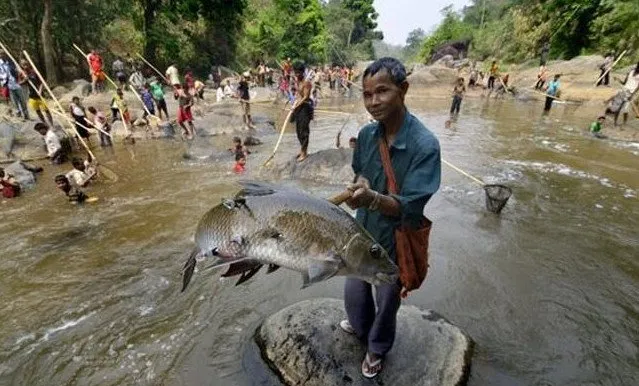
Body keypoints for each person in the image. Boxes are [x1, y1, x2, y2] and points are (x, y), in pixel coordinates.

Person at [340, 57, 441, 379]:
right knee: (354, 293)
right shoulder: (368, 135)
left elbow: (410, 205)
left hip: (395, 239)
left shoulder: (425, 145)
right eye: (367, 94)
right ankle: (359, 328)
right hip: (362, 231)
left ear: (403, 90)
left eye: (382, 92)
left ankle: (377, 348)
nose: (373, 102)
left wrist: (372, 198)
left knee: (387, 301)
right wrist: (362, 185)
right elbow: (361, 171)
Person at [292, 62, 314, 162]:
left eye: (298, 72)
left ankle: (304, 152)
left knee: (304, 131)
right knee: (298, 131)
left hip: (305, 108)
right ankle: (302, 150)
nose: (296, 74)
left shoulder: (306, 83)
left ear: (302, 72)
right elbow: (298, 94)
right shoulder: (298, 82)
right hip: (299, 108)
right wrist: (294, 103)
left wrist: (297, 104)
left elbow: (306, 97)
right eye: (295, 72)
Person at [21, 60, 53, 126]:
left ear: (29, 64)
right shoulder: (22, 74)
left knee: (46, 110)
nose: (25, 66)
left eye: (26, 64)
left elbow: (41, 82)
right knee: (38, 111)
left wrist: (40, 90)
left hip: (40, 95)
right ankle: (45, 124)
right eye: (24, 65)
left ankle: (52, 125)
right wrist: (25, 80)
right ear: (22, 66)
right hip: (32, 96)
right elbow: (19, 83)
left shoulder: (34, 72)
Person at [0, 55, 29, 119]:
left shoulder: (10, 62)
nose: (2, 57)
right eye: (1, 55)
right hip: (8, 84)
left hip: (16, 83)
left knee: (22, 100)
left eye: (3, 55)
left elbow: (17, 69)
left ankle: (25, 113)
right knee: (14, 101)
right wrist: (3, 79)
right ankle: (18, 113)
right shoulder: (0, 64)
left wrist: (24, 75)